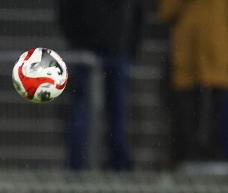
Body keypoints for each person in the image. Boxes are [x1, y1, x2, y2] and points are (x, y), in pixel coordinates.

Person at [58, 0, 145, 171]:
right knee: (113, 113)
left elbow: (66, 12)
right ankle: (116, 165)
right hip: (111, 48)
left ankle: (79, 166)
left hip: (101, 48)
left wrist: (77, 41)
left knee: (86, 111)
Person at [158, 0, 228, 163]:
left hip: (216, 56)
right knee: (186, 112)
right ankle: (186, 157)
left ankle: (216, 157)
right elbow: (166, 12)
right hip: (188, 56)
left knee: (216, 111)